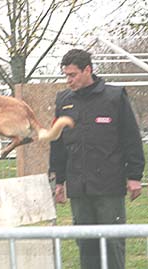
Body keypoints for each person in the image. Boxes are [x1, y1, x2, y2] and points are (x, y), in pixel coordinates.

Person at [49, 49, 145, 269]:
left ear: (88, 70)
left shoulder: (114, 97)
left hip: (108, 185)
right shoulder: (63, 101)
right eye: (66, 75)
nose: (69, 80)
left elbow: (131, 138)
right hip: (78, 185)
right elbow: (58, 143)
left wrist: (134, 176)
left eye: (72, 75)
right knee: (85, 243)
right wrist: (59, 181)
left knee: (112, 243)